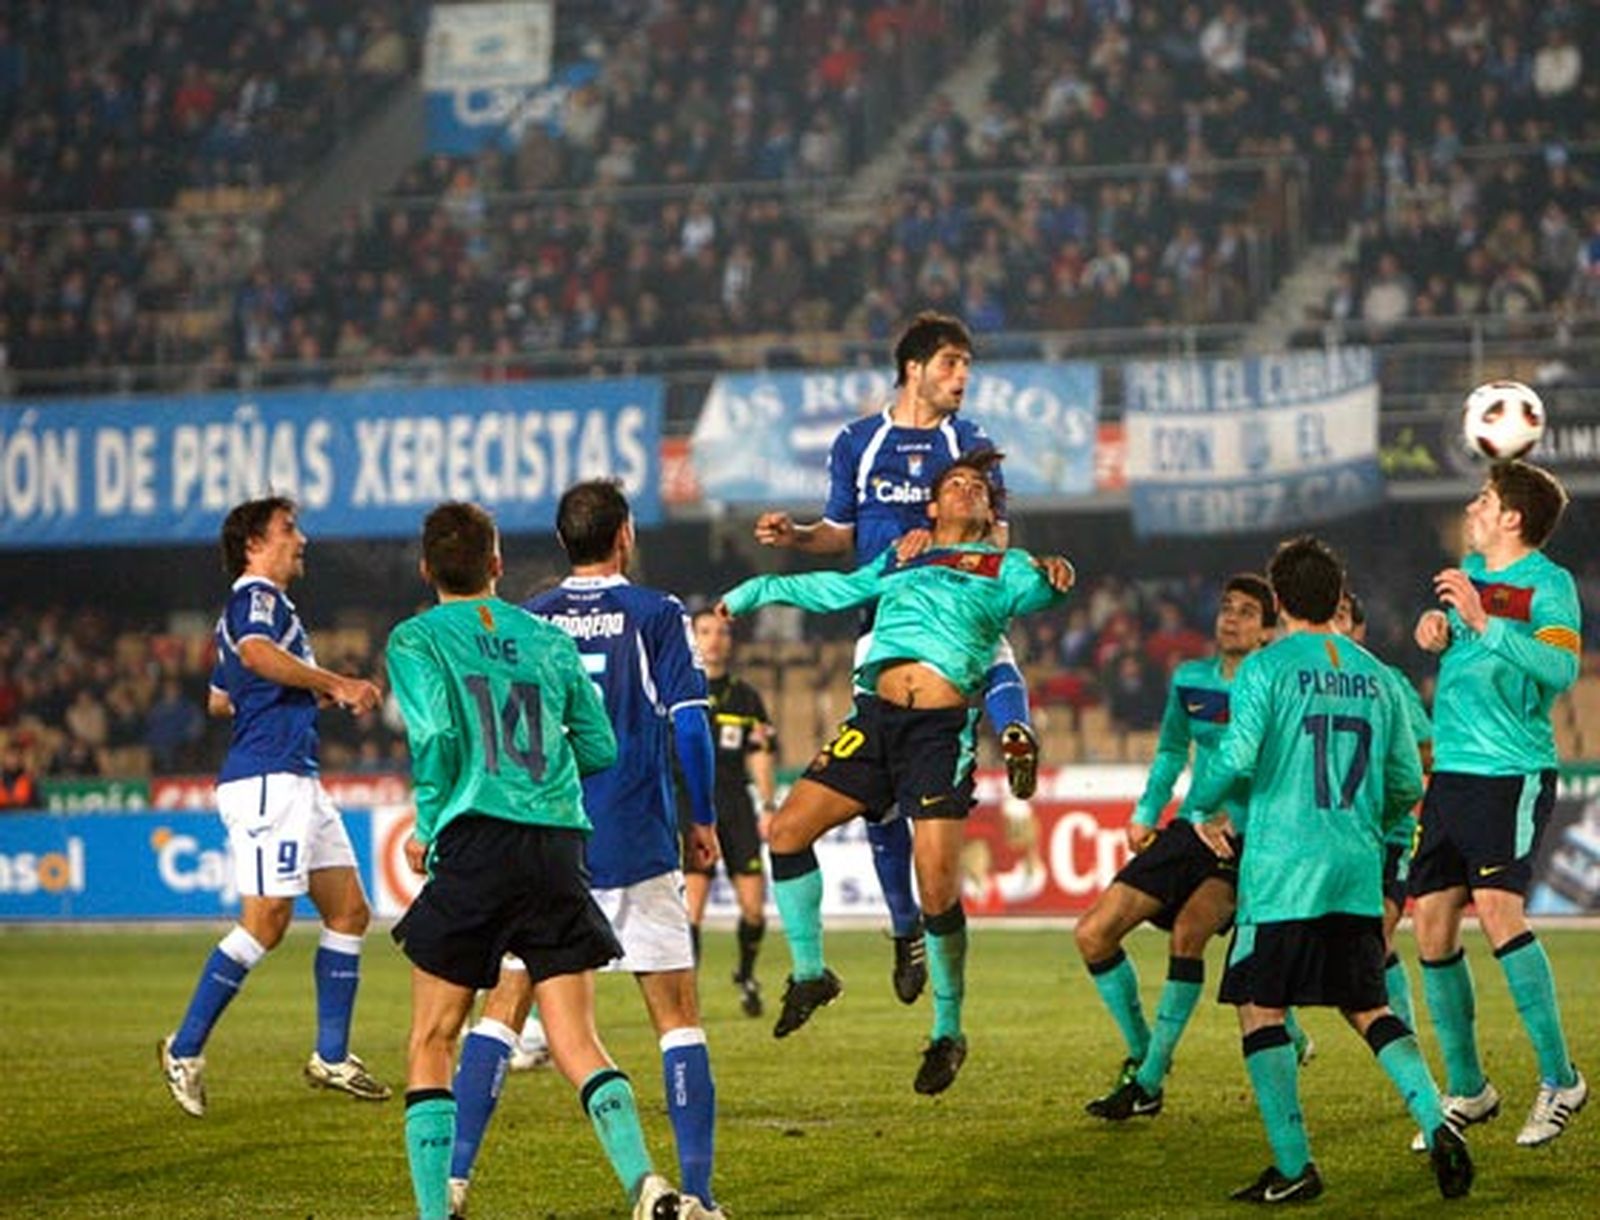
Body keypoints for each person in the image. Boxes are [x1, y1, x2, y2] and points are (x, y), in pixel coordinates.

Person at [723, 451, 1073, 1095]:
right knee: (787, 833)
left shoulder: (1005, 566)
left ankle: (947, 1031)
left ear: (990, 512)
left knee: (937, 891)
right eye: (955, 485)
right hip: (876, 719)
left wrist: (1057, 575)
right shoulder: (904, 555)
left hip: (939, 733)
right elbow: (838, 589)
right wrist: (760, 590)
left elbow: (1042, 591)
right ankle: (810, 974)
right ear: (932, 507)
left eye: (977, 488)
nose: (966, 491)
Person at [386, 501, 684, 1220]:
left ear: (426, 569)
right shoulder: (545, 639)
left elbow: (434, 736)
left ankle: (436, 1213)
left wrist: (429, 826)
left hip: (478, 839)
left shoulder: (416, 639)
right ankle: (649, 1188)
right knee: (577, 1039)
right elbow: (602, 747)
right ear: (496, 565)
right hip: (555, 846)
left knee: (432, 1037)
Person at [446, 479, 725, 1220]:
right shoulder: (658, 614)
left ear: (565, 542)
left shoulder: (524, 619)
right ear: (625, 535)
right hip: (634, 837)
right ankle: (695, 1195)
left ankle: (453, 1180)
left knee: (503, 1008)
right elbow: (691, 724)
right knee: (676, 1017)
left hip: (541, 846)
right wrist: (702, 817)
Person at [752, 310, 1041, 1006]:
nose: (962, 377)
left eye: (967, 365)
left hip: (960, 611)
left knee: (997, 656)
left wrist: (939, 549)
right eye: (950, 364)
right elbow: (840, 535)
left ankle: (1012, 734)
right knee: (880, 792)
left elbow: (997, 539)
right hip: (883, 624)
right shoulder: (859, 441)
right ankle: (906, 925)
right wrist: (795, 535)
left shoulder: (968, 443)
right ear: (913, 369)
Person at [1188, 535, 1471, 1204]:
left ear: (1279, 600)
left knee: (1260, 1007)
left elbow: (1236, 757)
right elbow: (1407, 780)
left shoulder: (1267, 668)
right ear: (1338, 599)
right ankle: (1437, 1124)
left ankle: (1294, 1167)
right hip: (1354, 867)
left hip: (1283, 870)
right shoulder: (1377, 676)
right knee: (1367, 1004)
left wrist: (1201, 803)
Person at [159, 496, 390, 1117]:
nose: (302, 539)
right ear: (254, 545)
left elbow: (219, 698)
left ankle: (332, 1056)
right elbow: (257, 655)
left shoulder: (265, 608)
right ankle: (183, 1048)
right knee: (266, 922)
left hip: (295, 778)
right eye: (289, 529)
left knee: (349, 911)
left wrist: (285, 701)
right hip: (267, 783)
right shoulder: (255, 597)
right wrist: (333, 683)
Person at [1410, 461, 1587, 1149]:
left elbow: (1561, 669)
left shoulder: (1550, 585)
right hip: (1452, 774)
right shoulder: (1470, 576)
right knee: (1430, 925)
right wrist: (1440, 628)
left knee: (1497, 912)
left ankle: (1561, 1077)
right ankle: (1470, 1089)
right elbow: (1465, 653)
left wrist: (1482, 621)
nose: (1473, 508)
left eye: (1484, 499)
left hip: (1511, 773)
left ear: (1512, 517)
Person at [1078, 573, 1298, 1120]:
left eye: (1248, 612)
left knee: (1189, 933)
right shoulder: (1190, 679)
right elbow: (1172, 749)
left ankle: (1148, 1081)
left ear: (1269, 631)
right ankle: (1141, 1051)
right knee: (1092, 933)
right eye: (1227, 608)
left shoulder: (1277, 686)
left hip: (1250, 839)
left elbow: (1278, 767)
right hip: (1193, 825)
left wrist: (1232, 810)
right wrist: (1146, 813)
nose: (1232, 618)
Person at [1334, 591, 1432, 1042]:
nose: (1331, 627)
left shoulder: (1387, 681)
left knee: (1370, 947)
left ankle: (1409, 1053)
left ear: (1360, 630)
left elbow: (1426, 753)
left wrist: (1382, 805)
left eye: (1340, 617)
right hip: (1331, 839)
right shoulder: (1301, 680)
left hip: (1385, 836)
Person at [676, 608, 778, 1018]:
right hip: (690, 804)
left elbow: (760, 754)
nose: (714, 639)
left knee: (754, 908)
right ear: (693, 638)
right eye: (705, 631)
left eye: (721, 632)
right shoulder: (680, 689)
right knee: (692, 908)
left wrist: (768, 805)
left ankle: (747, 974)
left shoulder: (746, 697)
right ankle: (687, 996)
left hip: (735, 805)